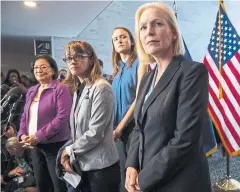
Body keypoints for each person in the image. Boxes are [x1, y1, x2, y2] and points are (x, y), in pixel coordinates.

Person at [125, 2, 212, 192]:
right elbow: (138, 128)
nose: (149, 32)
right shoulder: (148, 77)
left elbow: (185, 140)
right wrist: (131, 164)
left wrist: (143, 179)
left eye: (157, 24)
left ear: (174, 33)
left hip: (180, 182)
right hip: (148, 177)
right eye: (143, 27)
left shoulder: (192, 72)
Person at [60, 40, 120, 192]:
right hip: (82, 164)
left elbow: (95, 132)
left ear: (91, 59)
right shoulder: (80, 88)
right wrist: (69, 155)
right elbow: (77, 132)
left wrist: (69, 151)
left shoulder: (101, 87)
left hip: (101, 168)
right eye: (69, 58)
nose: (73, 61)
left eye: (78, 56)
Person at [17, 54, 72, 192]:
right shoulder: (31, 91)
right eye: (36, 67)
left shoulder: (61, 88)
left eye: (43, 67)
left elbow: (62, 117)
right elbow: (25, 116)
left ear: (53, 70)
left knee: (59, 185)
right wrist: (22, 135)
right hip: (35, 147)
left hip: (56, 146)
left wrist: (38, 136)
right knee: (42, 185)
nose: (39, 70)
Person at [111, 26, 147, 191]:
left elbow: (139, 98)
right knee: (122, 174)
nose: (119, 40)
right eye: (115, 39)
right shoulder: (118, 71)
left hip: (133, 126)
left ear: (132, 41)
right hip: (118, 128)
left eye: (123, 37)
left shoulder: (141, 63)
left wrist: (121, 126)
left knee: (135, 173)